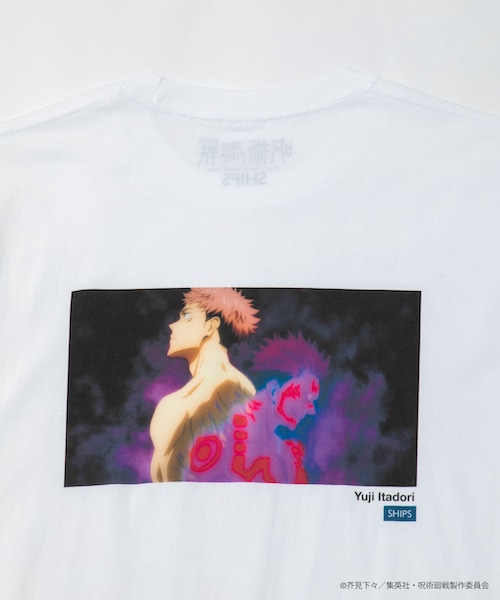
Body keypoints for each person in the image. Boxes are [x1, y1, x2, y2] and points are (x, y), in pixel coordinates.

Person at [150, 288, 259, 482]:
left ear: (211, 326)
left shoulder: (229, 387)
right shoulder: (175, 401)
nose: (172, 326)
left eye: (187, 316)